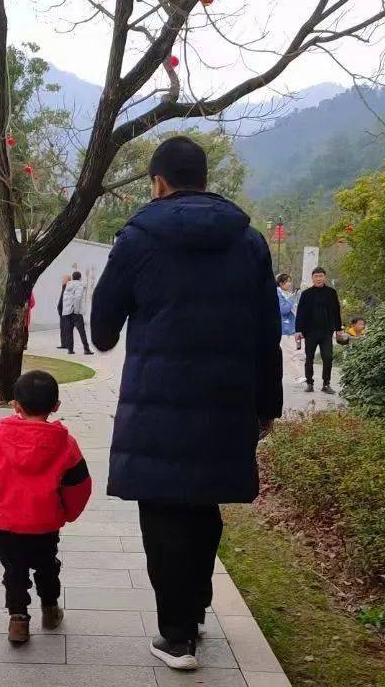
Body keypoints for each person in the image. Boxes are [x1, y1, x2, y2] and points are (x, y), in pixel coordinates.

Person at [90, 135, 282, 672]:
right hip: (226, 405)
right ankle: (194, 610)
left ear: (157, 183)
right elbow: (269, 334)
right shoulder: (249, 243)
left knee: (164, 513)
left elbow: (103, 328)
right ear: (204, 179)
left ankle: (176, 637)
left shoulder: (137, 239)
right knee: (203, 505)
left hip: (158, 405)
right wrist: (267, 406)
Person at [0, 370, 92, 645]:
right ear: (56, 406)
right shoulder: (65, 444)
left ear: (15, 405)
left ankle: (18, 620)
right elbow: (79, 484)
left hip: (9, 523)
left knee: (14, 571)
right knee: (47, 566)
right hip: (46, 523)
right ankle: (50, 610)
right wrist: (69, 512)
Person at [294, 267, 343, 395]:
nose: (318, 278)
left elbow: (336, 311)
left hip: (326, 331)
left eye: (321, 276)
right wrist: (298, 330)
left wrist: (338, 329)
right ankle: (309, 383)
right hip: (310, 332)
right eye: (316, 276)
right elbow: (301, 313)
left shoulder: (331, 293)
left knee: (328, 357)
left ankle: (326, 384)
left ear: (325, 277)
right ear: (313, 278)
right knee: (309, 358)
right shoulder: (306, 294)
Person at [61, 271, 93, 355]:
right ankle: (86, 349)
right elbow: (78, 298)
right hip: (75, 312)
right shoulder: (79, 285)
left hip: (67, 312)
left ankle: (70, 350)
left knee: (69, 331)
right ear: (80, 278)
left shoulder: (68, 285)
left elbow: (66, 299)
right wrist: (76, 311)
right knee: (82, 332)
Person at [56, 273, 70, 349]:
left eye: (64, 279)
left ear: (68, 280)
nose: (62, 280)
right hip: (62, 311)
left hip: (65, 312)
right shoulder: (64, 287)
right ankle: (63, 344)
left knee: (66, 328)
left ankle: (67, 344)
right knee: (63, 328)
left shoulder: (68, 288)